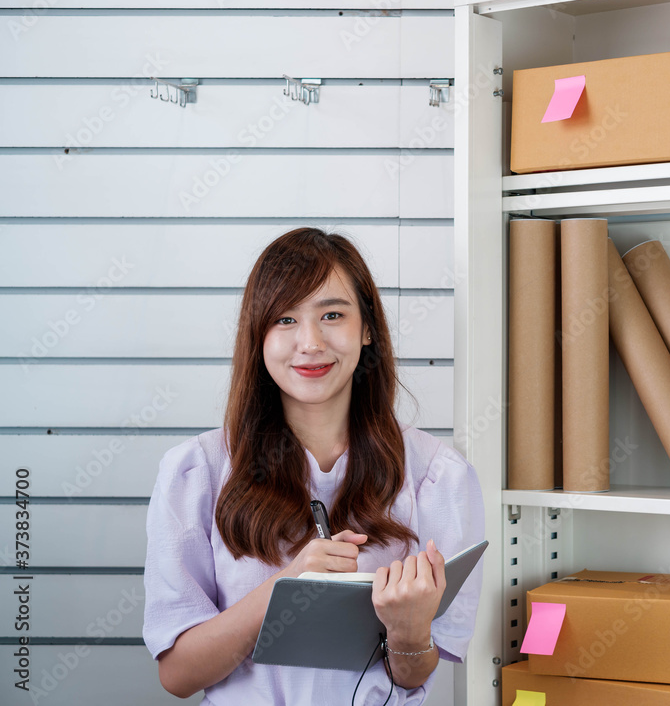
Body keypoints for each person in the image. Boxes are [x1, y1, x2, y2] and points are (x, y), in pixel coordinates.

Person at [142, 227, 485, 705]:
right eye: (285, 319)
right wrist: (287, 588)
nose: (310, 341)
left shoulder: (438, 475)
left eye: (332, 314)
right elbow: (178, 675)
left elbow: (412, 676)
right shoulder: (196, 472)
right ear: (256, 334)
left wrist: (408, 630)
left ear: (367, 328)